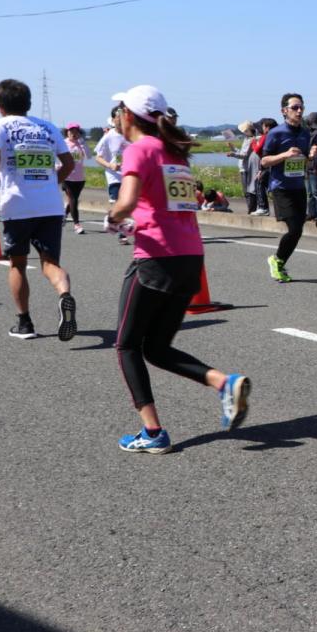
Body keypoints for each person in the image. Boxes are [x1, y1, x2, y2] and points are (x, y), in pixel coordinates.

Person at [104, 85, 250, 454]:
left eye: (118, 110)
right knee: (156, 347)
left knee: (125, 345)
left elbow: (129, 200)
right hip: (190, 260)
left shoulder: (139, 149)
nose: (116, 116)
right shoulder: (174, 154)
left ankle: (152, 433)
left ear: (128, 115)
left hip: (156, 259)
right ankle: (222, 382)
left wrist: (114, 216)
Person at [0, 78, 78, 340]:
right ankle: (64, 294)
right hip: (50, 205)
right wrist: (50, 183)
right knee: (49, 263)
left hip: (18, 204)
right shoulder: (47, 127)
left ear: (0, 105)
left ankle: (25, 324)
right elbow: (68, 163)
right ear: (28, 103)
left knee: (18, 264)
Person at [260, 94, 311, 282]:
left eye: (301, 108)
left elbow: (303, 158)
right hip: (281, 188)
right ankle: (277, 260)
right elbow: (264, 161)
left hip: (299, 186)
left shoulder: (305, 134)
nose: (299, 111)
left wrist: (309, 156)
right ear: (284, 111)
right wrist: (285, 155)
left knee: (298, 230)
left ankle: (278, 261)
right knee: (294, 228)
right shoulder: (276, 133)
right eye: (295, 107)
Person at [95, 102, 132, 244]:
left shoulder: (130, 134)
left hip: (129, 176)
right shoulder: (109, 136)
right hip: (114, 176)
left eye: (123, 116)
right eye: (118, 116)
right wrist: (110, 165)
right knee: (118, 203)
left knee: (129, 205)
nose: (121, 119)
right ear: (113, 119)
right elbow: (98, 156)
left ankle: (116, 221)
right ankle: (122, 234)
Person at [62, 123, 91, 234]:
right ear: (67, 132)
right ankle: (77, 224)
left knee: (72, 200)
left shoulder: (81, 144)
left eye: (76, 131)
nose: (73, 134)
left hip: (79, 178)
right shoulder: (64, 143)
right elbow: (56, 157)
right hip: (67, 176)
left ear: (79, 133)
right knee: (73, 199)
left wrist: (82, 143)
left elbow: (88, 156)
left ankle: (64, 214)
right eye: (71, 131)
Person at [226, 120, 258, 213]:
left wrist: (233, 154)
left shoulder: (251, 140)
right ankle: (252, 209)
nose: (243, 132)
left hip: (247, 168)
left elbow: (244, 156)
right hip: (244, 168)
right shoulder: (247, 139)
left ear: (248, 130)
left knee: (248, 191)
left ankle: (251, 210)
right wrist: (232, 148)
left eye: (244, 131)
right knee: (248, 191)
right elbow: (241, 152)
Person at [249, 118, 277, 216]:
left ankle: (263, 207)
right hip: (274, 164)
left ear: (267, 127)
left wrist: (253, 142)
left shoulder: (266, 136)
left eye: (263, 126)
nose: (262, 128)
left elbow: (257, 149)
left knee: (259, 182)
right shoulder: (276, 135)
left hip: (268, 164)